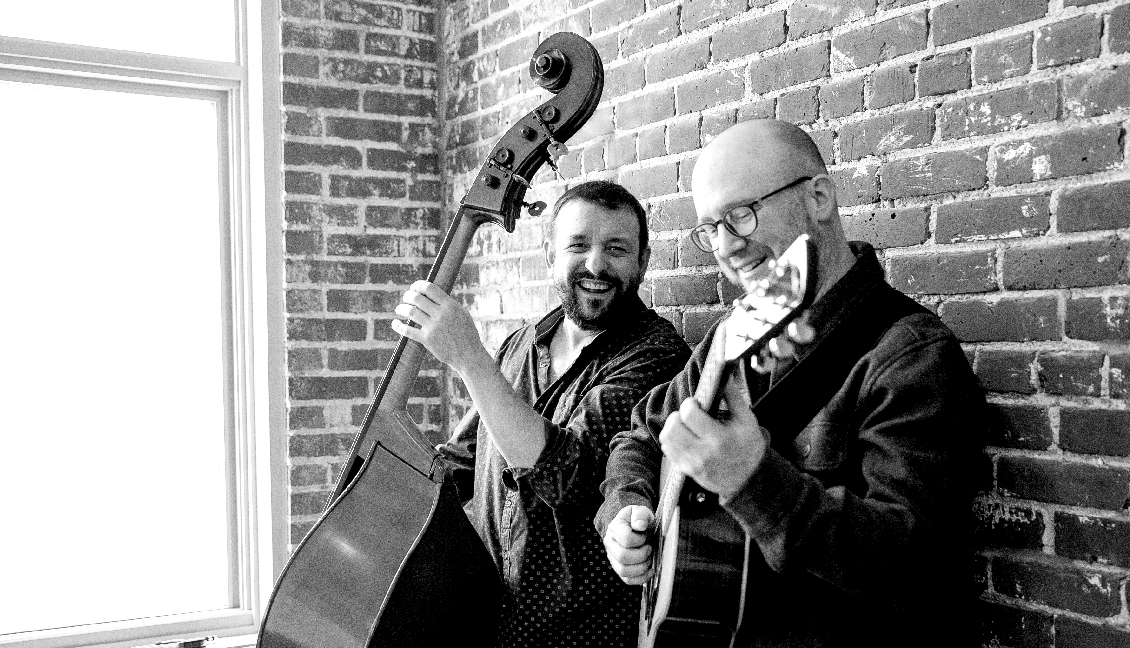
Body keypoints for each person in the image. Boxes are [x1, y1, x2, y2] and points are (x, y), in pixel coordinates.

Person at [597, 119, 985, 647]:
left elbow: (911, 567)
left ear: (819, 197)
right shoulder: (734, 335)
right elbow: (640, 434)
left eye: (741, 215)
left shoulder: (909, 358)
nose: (727, 247)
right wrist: (626, 511)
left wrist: (751, 479)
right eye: (711, 228)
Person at [392, 180, 691, 648]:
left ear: (643, 261)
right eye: (579, 245)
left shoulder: (655, 355)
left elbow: (565, 476)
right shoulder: (519, 345)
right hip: (488, 623)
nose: (596, 264)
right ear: (550, 254)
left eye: (616, 248)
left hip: (579, 635)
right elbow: (460, 464)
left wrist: (469, 358)